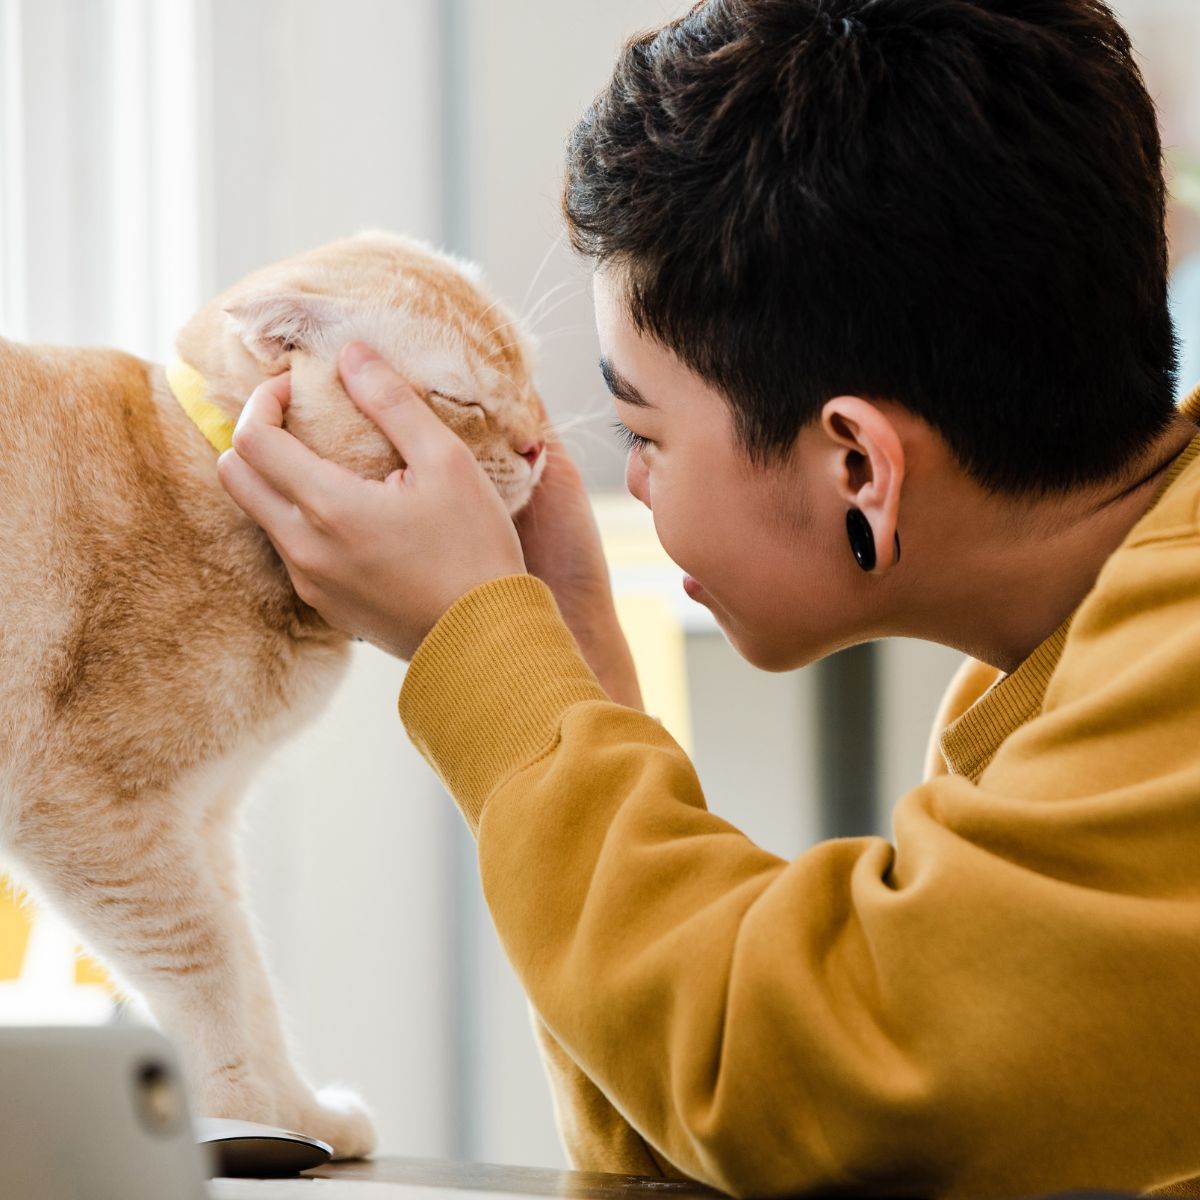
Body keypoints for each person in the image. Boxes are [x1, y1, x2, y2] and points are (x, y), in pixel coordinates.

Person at [217, 1, 1200, 1195]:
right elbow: (748, 1148)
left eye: (642, 429)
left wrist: (479, 662)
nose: (616, 475)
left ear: (856, 468)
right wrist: (570, 675)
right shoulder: (1064, 659)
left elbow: (829, 1077)